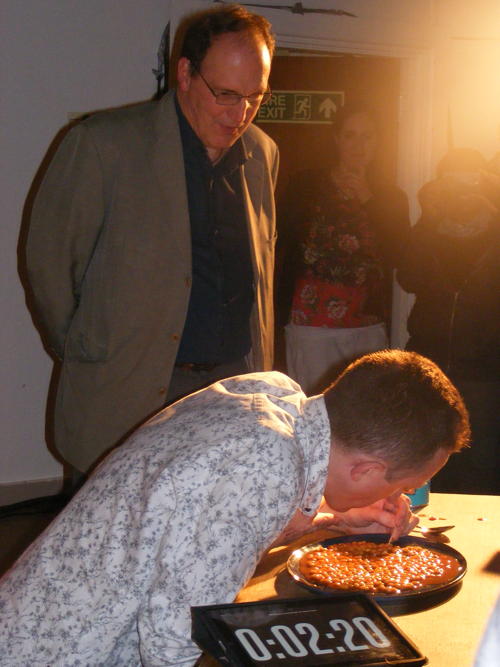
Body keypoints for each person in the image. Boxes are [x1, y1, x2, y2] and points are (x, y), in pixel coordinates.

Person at [0, 350, 470, 665]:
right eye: (407, 484)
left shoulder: (272, 394)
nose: (402, 497)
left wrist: (335, 519)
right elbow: (173, 641)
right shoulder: (259, 467)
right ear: (366, 469)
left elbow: (208, 532)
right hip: (63, 651)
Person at [24, 4, 279, 476]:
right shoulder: (104, 145)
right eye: (225, 94)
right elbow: (49, 265)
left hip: (231, 393)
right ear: (185, 73)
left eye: (255, 96)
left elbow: (259, 276)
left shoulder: (263, 154)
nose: (239, 113)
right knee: (107, 545)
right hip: (130, 389)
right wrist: (89, 349)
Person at [276, 101, 410, 394]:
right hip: (309, 320)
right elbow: (280, 239)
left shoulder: (391, 196)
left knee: (362, 409)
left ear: (378, 142)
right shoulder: (306, 184)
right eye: (350, 135)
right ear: (337, 140)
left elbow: (401, 255)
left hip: (366, 323)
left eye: (367, 136)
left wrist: (369, 200)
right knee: (311, 403)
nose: (358, 145)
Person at [397, 148, 500, 494]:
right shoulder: (430, 225)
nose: (464, 188)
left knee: (482, 462)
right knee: (426, 458)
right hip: (430, 363)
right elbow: (408, 277)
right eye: (454, 178)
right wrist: (430, 215)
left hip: (485, 369)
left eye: (472, 177)